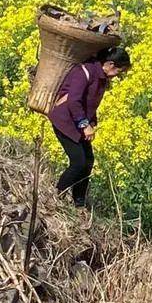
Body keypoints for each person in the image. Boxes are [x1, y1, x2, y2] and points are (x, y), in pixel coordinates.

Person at [47, 46, 131, 207]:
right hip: (64, 120)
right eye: (118, 72)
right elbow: (74, 101)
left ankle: (79, 202)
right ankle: (56, 195)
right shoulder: (84, 71)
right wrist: (84, 125)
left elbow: (91, 103)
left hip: (78, 122)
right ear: (110, 64)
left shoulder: (102, 78)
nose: (117, 76)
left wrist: (92, 121)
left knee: (88, 161)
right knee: (78, 161)